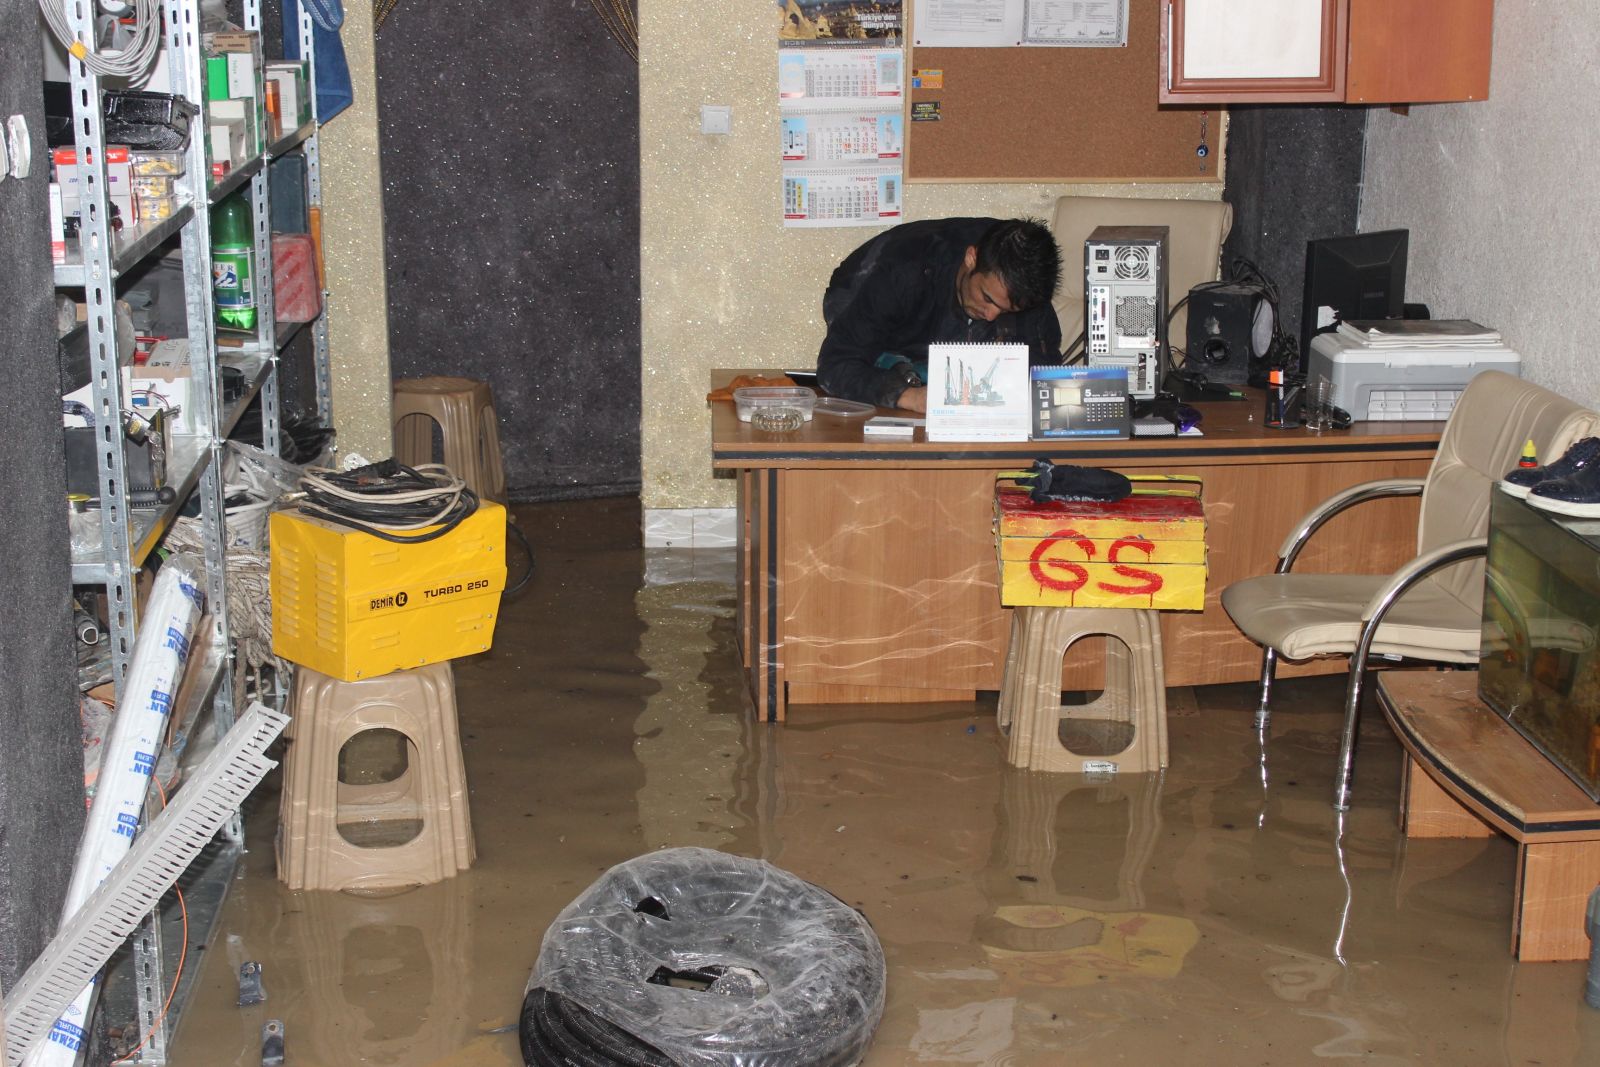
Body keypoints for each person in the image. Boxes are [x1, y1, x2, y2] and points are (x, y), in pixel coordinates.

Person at [816, 217, 1063, 412]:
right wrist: (909, 397)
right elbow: (835, 365)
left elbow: (1043, 379)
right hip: (864, 290)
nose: (990, 315)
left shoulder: (1027, 290)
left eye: (1006, 310)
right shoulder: (903, 272)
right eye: (987, 298)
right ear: (971, 258)